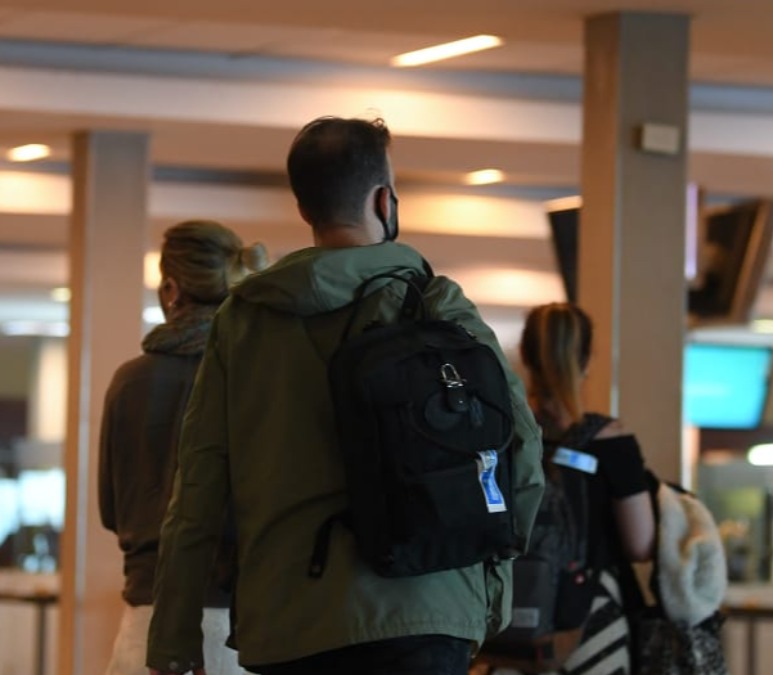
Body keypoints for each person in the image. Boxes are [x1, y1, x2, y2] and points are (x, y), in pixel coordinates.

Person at [145, 116, 545, 675]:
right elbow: (519, 452)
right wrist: (487, 587)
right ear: (385, 201)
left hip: (291, 621)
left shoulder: (245, 321)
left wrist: (173, 640)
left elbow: (198, 491)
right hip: (427, 608)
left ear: (305, 206)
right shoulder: (434, 302)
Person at [99, 220, 267, 675]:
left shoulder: (130, 380)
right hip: (240, 627)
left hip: (145, 621)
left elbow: (111, 511)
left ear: (171, 290)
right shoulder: (257, 376)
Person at [514, 302, 655, 675]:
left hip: (509, 614)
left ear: (525, 356)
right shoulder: (611, 440)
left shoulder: (500, 433)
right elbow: (640, 544)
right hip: (592, 615)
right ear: (587, 360)